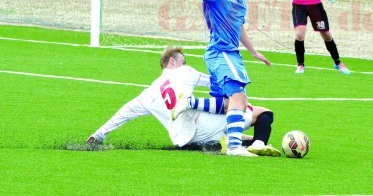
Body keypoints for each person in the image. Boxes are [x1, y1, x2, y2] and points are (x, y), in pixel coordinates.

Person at [166, 0, 272, 157]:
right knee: (238, 96)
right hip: (221, 53)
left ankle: (190, 103)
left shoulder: (241, 3)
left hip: (229, 55)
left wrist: (253, 51)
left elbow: (238, 26)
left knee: (227, 103)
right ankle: (234, 147)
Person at [86, 47, 280, 157]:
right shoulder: (184, 72)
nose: (186, 64)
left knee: (233, 121)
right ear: (172, 62)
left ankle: (227, 142)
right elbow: (217, 82)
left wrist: (99, 134)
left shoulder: (148, 94)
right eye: (184, 61)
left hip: (183, 140)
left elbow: (124, 113)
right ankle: (258, 143)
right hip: (202, 125)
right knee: (257, 110)